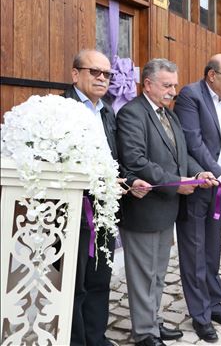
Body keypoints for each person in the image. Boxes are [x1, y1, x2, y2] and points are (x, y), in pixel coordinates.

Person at [117, 59, 217, 346]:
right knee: (143, 276)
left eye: (175, 85)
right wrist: (176, 183)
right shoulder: (132, 114)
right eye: (167, 85)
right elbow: (136, 160)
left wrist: (197, 173)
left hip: (166, 210)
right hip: (144, 209)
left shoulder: (169, 115)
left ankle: (154, 321)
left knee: (158, 274)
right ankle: (144, 333)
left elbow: (181, 156)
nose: (173, 91)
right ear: (147, 84)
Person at [64, 49, 151, 346]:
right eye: (95, 72)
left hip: (106, 208)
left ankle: (96, 337)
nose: (102, 78)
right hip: (75, 210)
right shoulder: (60, 109)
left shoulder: (107, 111)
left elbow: (116, 159)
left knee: (100, 279)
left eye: (107, 74)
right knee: (75, 284)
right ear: (75, 74)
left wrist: (131, 180)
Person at [173, 54, 221, 342]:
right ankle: (201, 315)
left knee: (213, 251)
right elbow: (193, 143)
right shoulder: (191, 96)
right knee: (194, 253)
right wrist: (220, 174)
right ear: (211, 75)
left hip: (218, 186)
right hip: (197, 185)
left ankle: (215, 304)